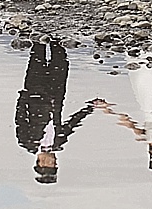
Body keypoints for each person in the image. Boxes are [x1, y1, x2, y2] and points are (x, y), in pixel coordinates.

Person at [14, 41, 94, 184]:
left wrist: (23, 96)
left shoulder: (27, 142)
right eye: (55, 165)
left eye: (52, 164)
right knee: (61, 59)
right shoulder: (59, 141)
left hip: (35, 91)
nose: (55, 162)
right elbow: (73, 123)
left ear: (41, 162)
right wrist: (90, 107)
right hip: (56, 94)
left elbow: (20, 118)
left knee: (37, 54)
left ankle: (39, 30)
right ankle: (56, 32)